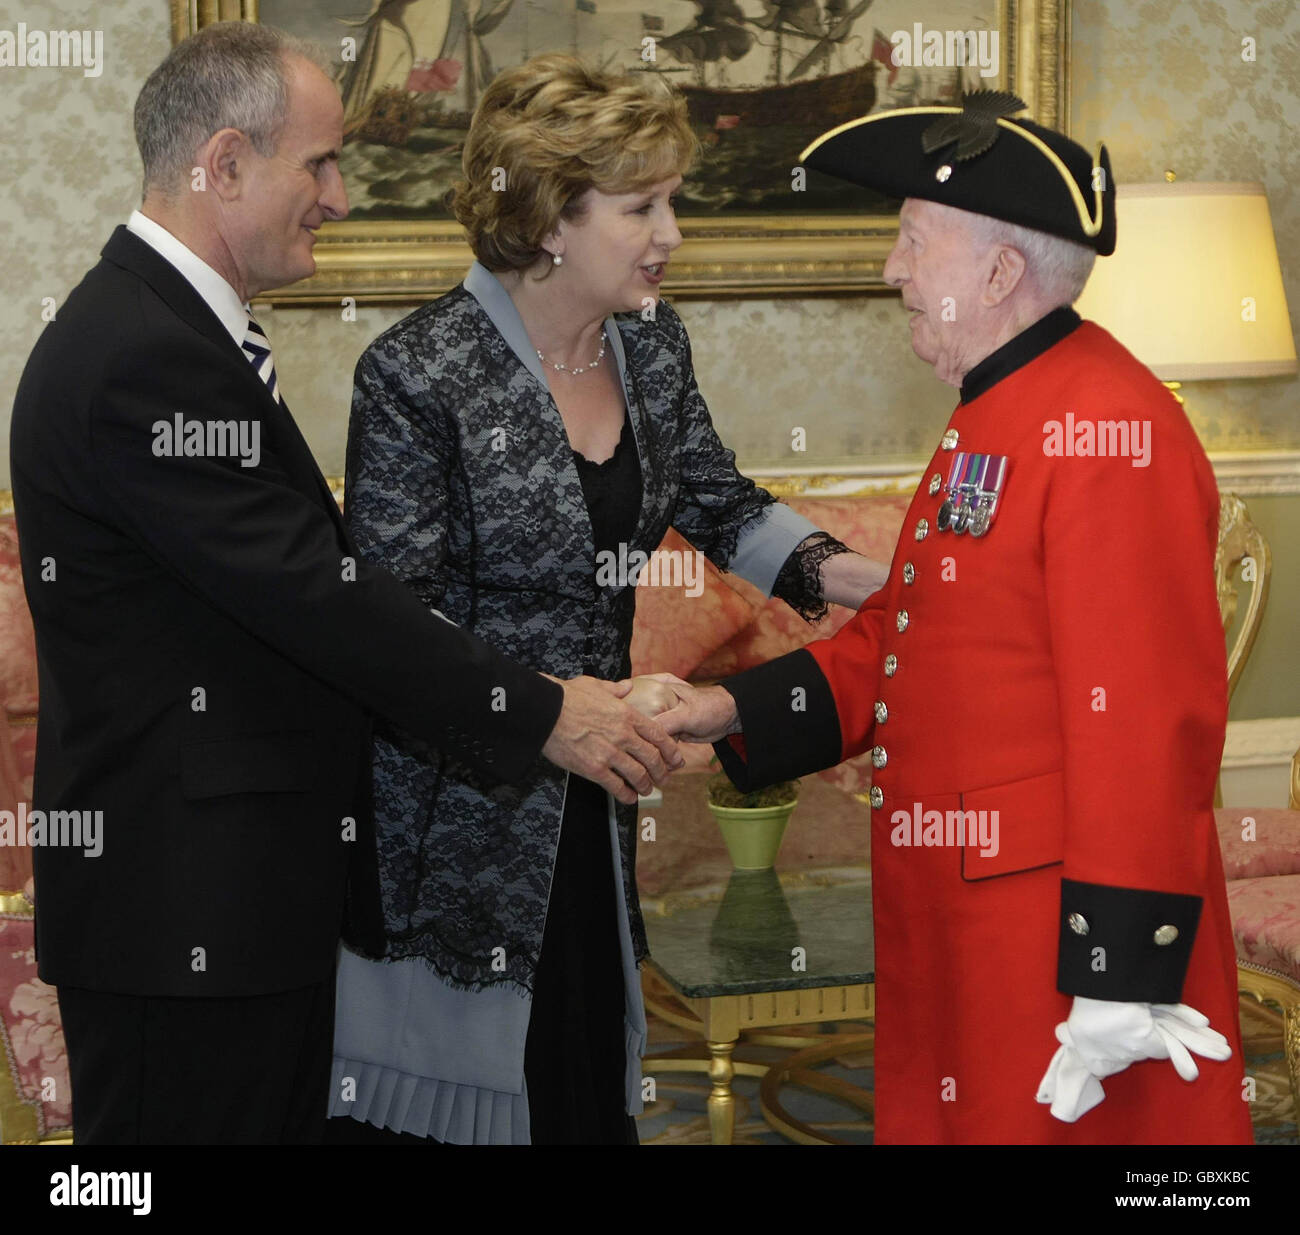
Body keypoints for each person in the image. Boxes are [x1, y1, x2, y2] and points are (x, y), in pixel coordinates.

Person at [8, 23, 681, 1145]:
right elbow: (320, 601)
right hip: (189, 918)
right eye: (319, 163)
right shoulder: (146, 354)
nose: (344, 195)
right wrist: (548, 709)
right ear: (224, 165)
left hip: (227, 905)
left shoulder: (169, 330)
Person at [647, 91, 1253, 1144]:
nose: (891, 270)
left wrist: (1115, 968)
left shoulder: (1111, 428)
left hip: (1057, 941)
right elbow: (908, 642)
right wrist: (721, 707)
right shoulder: (1002, 409)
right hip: (969, 913)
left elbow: (1146, 719)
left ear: (998, 272)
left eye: (909, 242)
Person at [324, 53, 888, 1146]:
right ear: (547, 220)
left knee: (583, 1089)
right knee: (482, 1105)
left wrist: (875, 581)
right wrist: (550, 709)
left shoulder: (650, 344)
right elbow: (394, 624)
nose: (672, 231)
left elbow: (721, 505)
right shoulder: (417, 374)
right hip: (462, 809)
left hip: (596, 794)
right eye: (642, 205)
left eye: (671, 198)